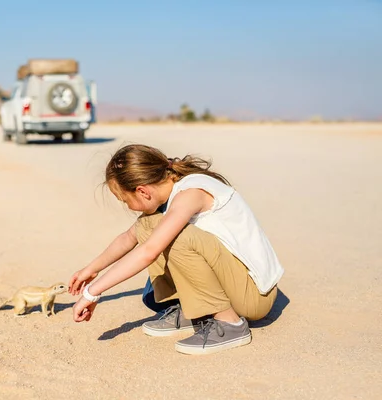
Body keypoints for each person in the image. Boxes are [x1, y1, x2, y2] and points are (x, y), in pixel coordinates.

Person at [68, 144, 284, 355]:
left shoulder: (191, 194)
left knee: (176, 237)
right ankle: (194, 311)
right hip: (235, 284)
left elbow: (149, 251)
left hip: (254, 296)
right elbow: (128, 238)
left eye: (125, 201)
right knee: (147, 225)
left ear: (142, 191)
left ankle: (230, 324)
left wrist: (92, 293)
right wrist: (90, 270)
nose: (128, 207)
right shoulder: (173, 193)